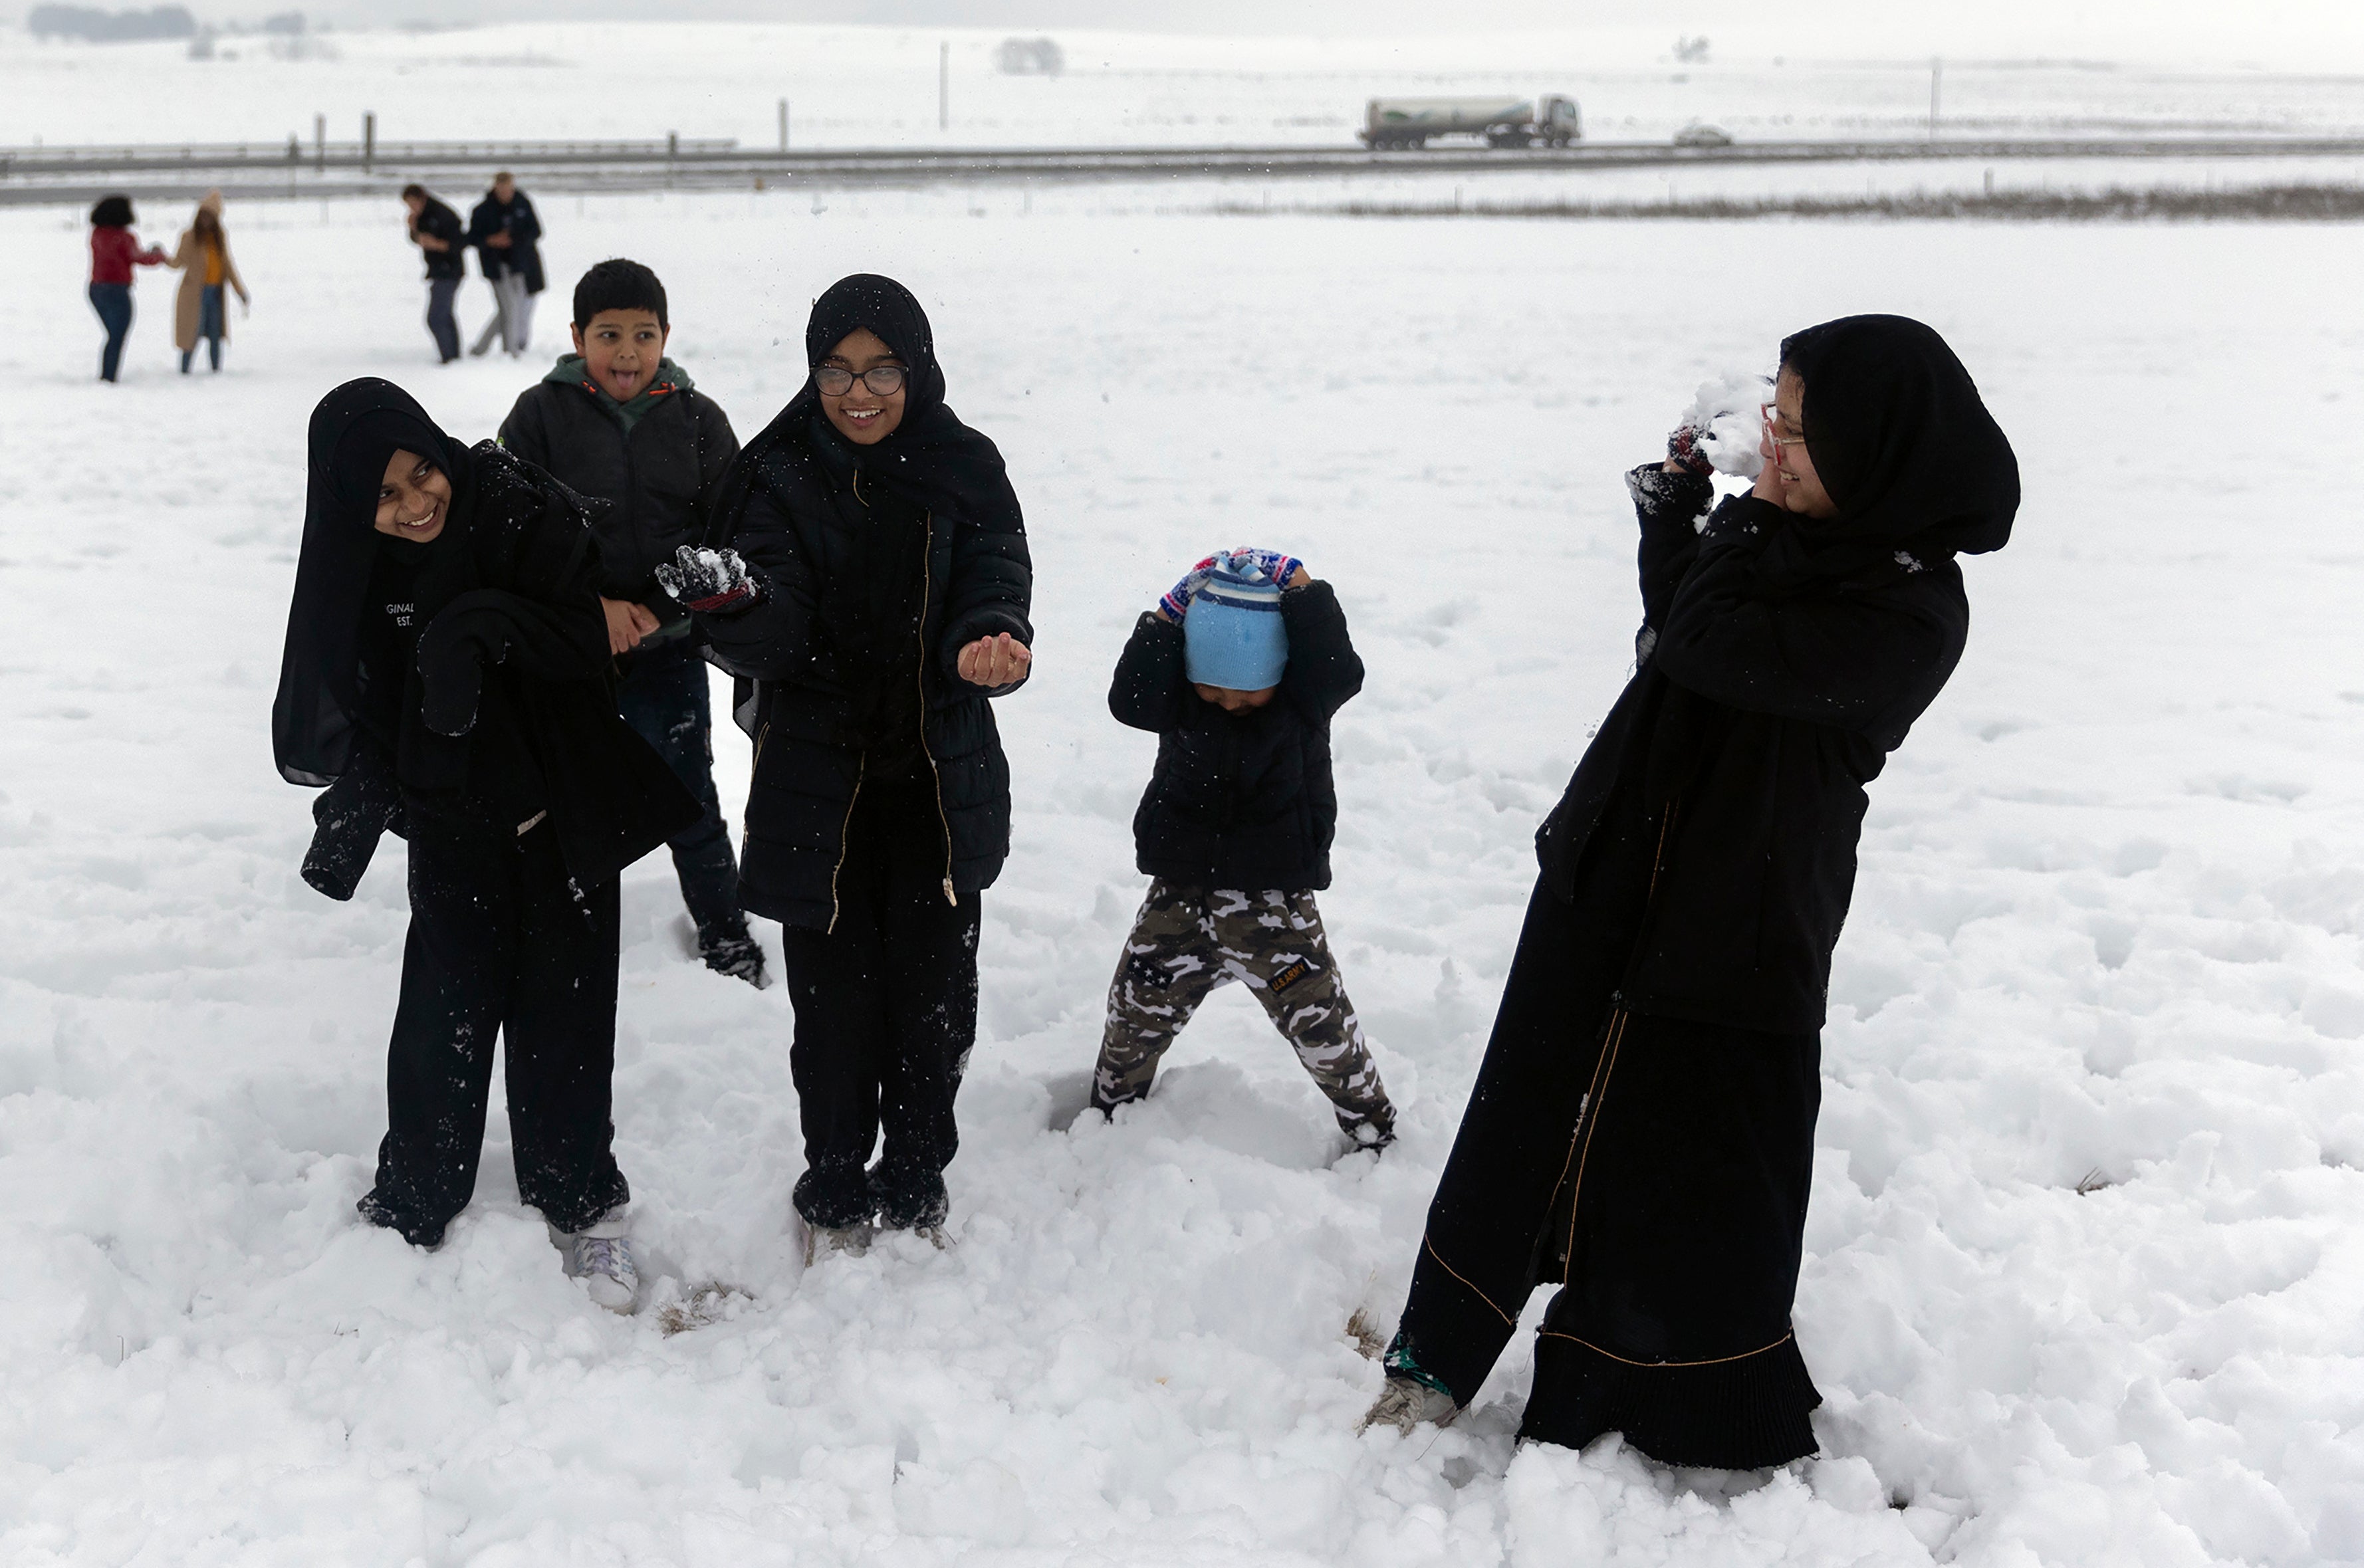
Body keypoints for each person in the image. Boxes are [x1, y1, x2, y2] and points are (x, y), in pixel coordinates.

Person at [1365, 316, 2019, 1470]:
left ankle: (1669, 1394)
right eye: (1772, 412)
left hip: (1742, 912)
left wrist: (1739, 522)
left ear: (1875, 451)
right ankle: (1439, 1345)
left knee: (1695, 1157)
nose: (1772, 442)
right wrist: (1679, 510)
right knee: (1527, 1111)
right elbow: (1684, 620)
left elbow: (1710, 641)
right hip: (1619, 859)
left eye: (1800, 430)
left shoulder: (1912, 607)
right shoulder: (1778, 536)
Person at [272, 378, 699, 1313]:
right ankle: (416, 1199)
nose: (418, 500)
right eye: (386, 496)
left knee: (567, 1022)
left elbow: (586, 643)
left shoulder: (512, 504)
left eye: (422, 471)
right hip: (456, 825)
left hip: (564, 813)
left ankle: (583, 1206)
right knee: (442, 1020)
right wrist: (357, 813)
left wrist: (471, 627)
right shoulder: (365, 576)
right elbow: (379, 712)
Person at [661, 276, 1032, 1262]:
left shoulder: (966, 465)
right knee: (831, 1017)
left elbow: (996, 573)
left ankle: (916, 1180)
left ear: (916, 367)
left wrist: (989, 637)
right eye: (836, 369)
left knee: (935, 1007)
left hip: (937, 787)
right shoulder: (779, 472)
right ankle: (831, 1186)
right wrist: (738, 602)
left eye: (880, 370)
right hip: (818, 794)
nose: (857, 391)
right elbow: (780, 635)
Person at [497, 258, 765, 987]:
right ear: (578, 336)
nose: (626, 353)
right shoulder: (539, 416)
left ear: (666, 336)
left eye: (643, 335)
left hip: (666, 653)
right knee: (558, 806)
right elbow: (511, 529)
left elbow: (730, 534)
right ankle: (556, 939)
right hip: (568, 657)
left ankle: (726, 935)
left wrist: (655, 607)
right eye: (608, 334)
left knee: (688, 797)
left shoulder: (698, 419)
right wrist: (594, 609)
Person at [1090, 547, 1395, 1153]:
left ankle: (1371, 1126)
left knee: (1320, 1023)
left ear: (1279, 671)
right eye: (1212, 688)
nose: (1229, 702)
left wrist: (1303, 591)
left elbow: (1339, 668)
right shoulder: (1179, 700)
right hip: (1178, 897)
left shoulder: (1303, 701)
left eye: (1247, 692)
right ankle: (1108, 1119)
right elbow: (1131, 700)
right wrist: (1166, 616)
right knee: (1136, 1006)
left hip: (1274, 908)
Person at [87, 195, 170, 382]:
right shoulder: (124, 237)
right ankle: (109, 377)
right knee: (117, 337)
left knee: (111, 336)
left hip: (96, 288)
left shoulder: (97, 234)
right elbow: (138, 257)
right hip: (117, 290)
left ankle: (107, 376)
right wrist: (158, 256)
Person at [170, 191, 250, 374]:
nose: (206, 220)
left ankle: (216, 371)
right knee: (192, 334)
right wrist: (161, 258)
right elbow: (178, 261)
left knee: (215, 333)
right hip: (195, 294)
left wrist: (240, 292)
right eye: (203, 215)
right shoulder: (190, 237)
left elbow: (228, 267)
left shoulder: (219, 239)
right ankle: (185, 370)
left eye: (210, 216)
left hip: (215, 293)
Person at [466, 171, 544, 359]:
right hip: (496, 266)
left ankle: (486, 347)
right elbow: (472, 238)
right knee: (509, 307)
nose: (505, 193)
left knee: (512, 307)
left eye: (508, 189)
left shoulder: (522, 204)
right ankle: (510, 350)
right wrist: (491, 240)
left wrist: (514, 239)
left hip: (519, 264)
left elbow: (535, 231)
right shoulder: (483, 210)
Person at [402, 185, 468, 364]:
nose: (412, 209)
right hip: (438, 270)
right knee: (445, 314)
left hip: (449, 270)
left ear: (421, 199)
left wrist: (438, 244)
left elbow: (460, 242)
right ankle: (453, 354)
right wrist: (413, 229)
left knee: (436, 317)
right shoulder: (422, 216)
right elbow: (419, 240)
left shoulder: (443, 214)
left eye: (413, 204)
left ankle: (449, 356)